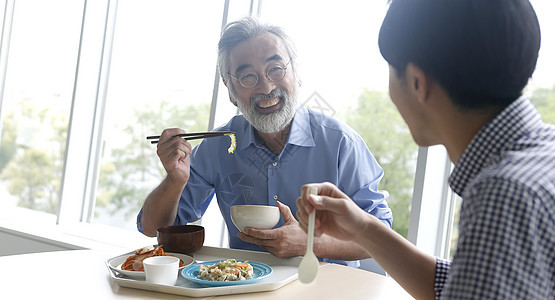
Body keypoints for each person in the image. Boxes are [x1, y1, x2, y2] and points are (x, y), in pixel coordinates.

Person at [297, 0, 555, 298]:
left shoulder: (503, 193)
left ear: (418, 83)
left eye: (392, 71)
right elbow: (468, 284)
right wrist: (363, 229)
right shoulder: (543, 153)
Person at [137, 16, 392, 267]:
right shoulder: (218, 146)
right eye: (248, 76)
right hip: (245, 288)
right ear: (230, 89)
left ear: (296, 73)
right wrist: (174, 180)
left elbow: (382, 235)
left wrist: (310, 243)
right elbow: (152, 229)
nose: (266, 87)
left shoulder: (341, 144)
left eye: (275, 69)